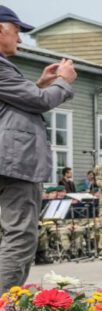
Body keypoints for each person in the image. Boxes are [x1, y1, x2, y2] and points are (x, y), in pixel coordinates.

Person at [0, 6, 76, 291]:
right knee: (20, 236)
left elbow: (13, 105)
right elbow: (39, 102)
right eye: (17, 32)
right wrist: (63, 81)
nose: (20, 40)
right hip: (13, 165)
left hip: (8, 162)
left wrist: (40, 85)